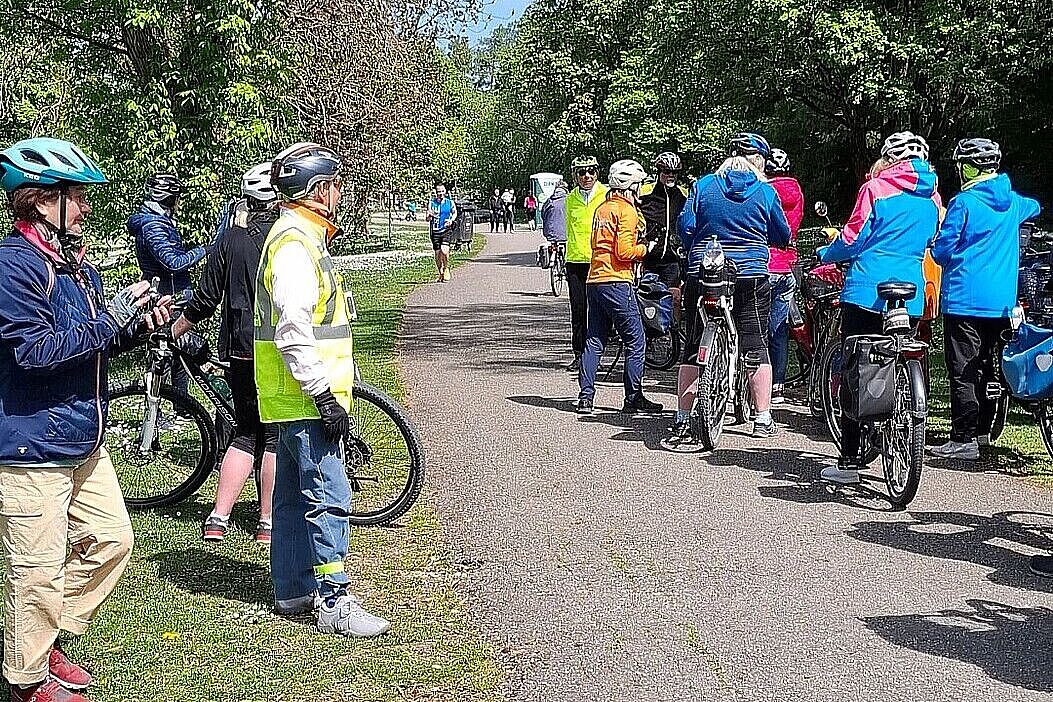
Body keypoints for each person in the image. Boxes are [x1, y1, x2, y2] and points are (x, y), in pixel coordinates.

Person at [0, 137, 172, 702]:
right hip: (29, 446)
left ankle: (44, 638)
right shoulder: (13, 266)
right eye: (77, 195)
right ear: (42, 200)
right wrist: (110, 321)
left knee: (112, 540)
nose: (86, 207)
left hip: (80, 436)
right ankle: (26, 681)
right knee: (37, 568)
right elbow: (33, 352)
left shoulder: (76, 268)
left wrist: (136, 323)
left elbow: (93, 342)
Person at [255, 142, 390, 637]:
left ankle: (292, 588)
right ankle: (335, 601)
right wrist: (324, 395)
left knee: (291, 495)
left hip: (289, 397)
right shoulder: (295, 246)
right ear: (316, 191)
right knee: (328, 496)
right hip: (308, 398)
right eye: (333, 185)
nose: (339, 193)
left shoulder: (298, 238)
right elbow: (293, 329)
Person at [816, 131, 942, 484]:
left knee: (856, 370)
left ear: (888, 159)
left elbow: (853, 238)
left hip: (867, 289)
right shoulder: (933, 196)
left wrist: (826, 254)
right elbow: (934, 238)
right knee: (900, 353)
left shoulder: (875, 188)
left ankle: (849, 462)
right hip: (910, 290)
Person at [171, 162, 281, 544]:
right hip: (279, 348)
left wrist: (174, 329)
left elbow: (204, 298)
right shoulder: (289, 236)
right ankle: (267, 523)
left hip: (240, 349)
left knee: (246, 431)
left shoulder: (231, 240)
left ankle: (218, 518)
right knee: (274, 436)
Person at [674, 132, 791, 440]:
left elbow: (686, 226)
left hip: (705, 271)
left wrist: (695, 243)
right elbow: (782, 234)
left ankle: (683, 417)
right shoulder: (765, 192)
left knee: (693, 344)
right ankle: (762, 418)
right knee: (755, 342)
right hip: (750, 273)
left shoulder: (703, 185)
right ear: (759, 161)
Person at [929, 138, 1041, 460]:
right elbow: (1035, 206)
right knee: (989, 367)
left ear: (968, 168)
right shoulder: (1013, 202)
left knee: (963, 369)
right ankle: (982, 432)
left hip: (964, 299)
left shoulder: (963, 203)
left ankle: (963, 439)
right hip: (1002, 302)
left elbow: (941, 251)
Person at [577, 160, 663, 416]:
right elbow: (624, 252)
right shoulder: (627, 211)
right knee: (636, 340)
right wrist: (646, 248)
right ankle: (633, 398)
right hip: (616, 280)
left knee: (595, 339)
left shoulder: (602, 208)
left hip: (595, 280)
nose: (641, 189)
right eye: (639, 184)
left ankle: (585, 398)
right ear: (631, 186)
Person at [764, 148, 805, 404]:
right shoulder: (797, 190)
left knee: (754, 326)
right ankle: (777, 385)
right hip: (789, 264)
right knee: (779, 328)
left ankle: (753, 383)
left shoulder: (764, 191)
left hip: (765, 262)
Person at [129, 172, 208, 299]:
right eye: (177, 198)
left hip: (169, 295)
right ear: (168, 199)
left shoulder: (159, 222)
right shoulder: (153, 227)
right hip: (167, 300)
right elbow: (173, 263)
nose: (178, 203)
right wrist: (203, 250)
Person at [564, 156, 609, 371]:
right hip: (575, 261)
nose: (587, 176)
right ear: (575, 175)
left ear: (597, 172)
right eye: (582, 172)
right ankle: (579, 354)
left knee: (600, 310)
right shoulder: (570, 198)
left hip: (599, 260)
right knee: (579, 310)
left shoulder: (606, 194)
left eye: (591, 171)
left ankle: (597, 354)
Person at [639, 152, 688, 290]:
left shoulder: (683, 194)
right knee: (645, 296)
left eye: (675, 172)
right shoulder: (644, 193)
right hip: (648, 258)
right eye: (667, 171)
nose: (671, 175)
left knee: (672, 296)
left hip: (672, 259)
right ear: (658, 171)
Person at [426, 182, 457, 283]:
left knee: (444, 251)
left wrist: (451, 220)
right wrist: (429, 216)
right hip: (435, 231)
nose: (441, 193)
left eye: (442, 191)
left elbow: (454, 212)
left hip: (446, 230)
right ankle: (441, 272)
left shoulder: (450, 202)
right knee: (438, 253)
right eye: (439, 192)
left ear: (445, 191)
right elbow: (427, 218)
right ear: (436, 193)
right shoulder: (432, 203)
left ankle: (446, 268)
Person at [541, 180, 568, 252]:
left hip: (550, 232)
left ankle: (551, 253)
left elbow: (543, 215)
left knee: (552, 244)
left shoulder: (549, 201)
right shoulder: (570, 200)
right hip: (566, 233)